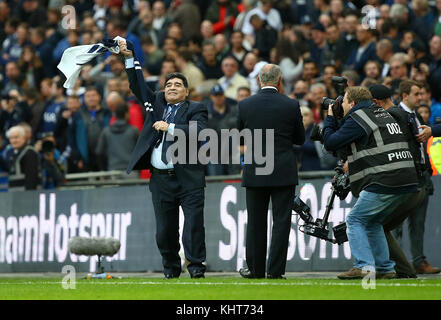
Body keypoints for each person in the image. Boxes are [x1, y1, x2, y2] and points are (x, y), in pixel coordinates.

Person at [120, 41, 208, 279]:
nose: (172, 87)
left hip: (188, 178)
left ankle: (197, 267)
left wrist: (169, 127)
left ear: (187, 92)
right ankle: (170, 268)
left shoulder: (196, 108)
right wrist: (129, 57)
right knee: (165, 230)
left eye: (178, 85)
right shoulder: (156, 103)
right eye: (168, 84)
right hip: (160, 180)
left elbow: (199, 132)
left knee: (192, 226)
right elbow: (138, 87)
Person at [323, 86, 419, 280]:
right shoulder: (382, 114)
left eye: (343, 102)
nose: (340, 104)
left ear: (353, 103)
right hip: (406, 179)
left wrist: (330, 118)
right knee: (372, 221)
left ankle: (364, 266)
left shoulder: (359, 117)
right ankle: (385, 267)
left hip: (385, 178)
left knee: (355, 219)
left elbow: (331, 142)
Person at [238, 64, 305, 279]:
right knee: (281, 221)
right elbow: (300, 139)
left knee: (256, 222)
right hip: (283, 170)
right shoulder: (291, 104)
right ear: (279, 80)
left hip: (256, 168)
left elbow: (239, 136)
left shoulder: (245, 105)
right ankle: (275, 271)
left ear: (259, 80)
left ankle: (255, 270)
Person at [3, 125, 39, 191]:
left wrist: (29, 194)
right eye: (11, 138)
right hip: (14, 194)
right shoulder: (11, 153)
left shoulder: (29, 152)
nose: (13, 141)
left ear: (24, 138)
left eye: (16, 137)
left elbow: (31, 177)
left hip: (26, 195)